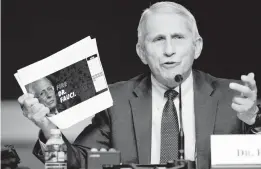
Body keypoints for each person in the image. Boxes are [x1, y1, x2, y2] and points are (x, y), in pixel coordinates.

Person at [18, 2, 261, 169]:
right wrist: (48, 129)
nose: (169, 50)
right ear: (142, 52)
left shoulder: (234, 97)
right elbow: (75, 165)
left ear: (196, 46)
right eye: (158, 39)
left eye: (178, 38)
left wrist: (255, 122)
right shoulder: (117, 100)